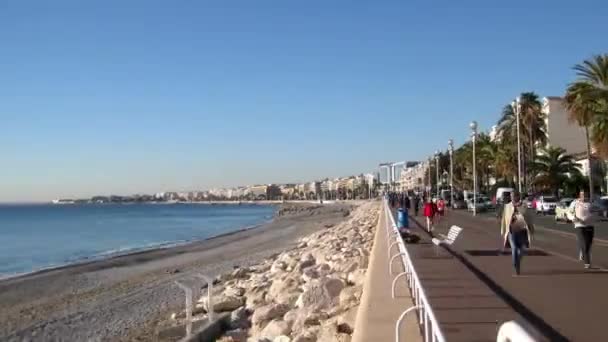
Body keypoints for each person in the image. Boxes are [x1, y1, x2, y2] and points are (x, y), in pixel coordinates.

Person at [500, 191, 534, 275]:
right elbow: (504, 218)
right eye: (511, 196)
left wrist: (531, 228)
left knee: (522, 251)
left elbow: (528, 217)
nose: (512, 198)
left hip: (522, 231)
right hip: (512, 232)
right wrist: (503, 230)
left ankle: (517, 261)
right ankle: (516, 265)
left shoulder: (524, 206)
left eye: (513, 196)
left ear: (518, 197)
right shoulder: (507, 206)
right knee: (514, 249)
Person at [567, 190, 594, 268]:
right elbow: (569, 212)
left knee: (588, 244)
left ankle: (582, 252)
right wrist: (573, 218)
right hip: (579, 225)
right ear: (579, 195)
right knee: (584, 243)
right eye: (582, 195)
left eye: (585, 195)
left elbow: (597, 212)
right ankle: (587, 263)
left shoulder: (591, 203)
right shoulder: (575, 203)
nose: (584, 196)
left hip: (590, 225)